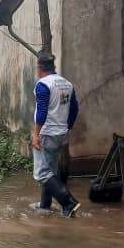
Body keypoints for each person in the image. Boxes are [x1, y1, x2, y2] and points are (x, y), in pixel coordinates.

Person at [30, 54, 81, 218]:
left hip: (47, 134)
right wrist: (68, 128)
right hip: (61, 134)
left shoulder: (43, 84)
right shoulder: (67, 84)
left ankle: (68, 203)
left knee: (41, 173)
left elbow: (42, 111)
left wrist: (36, 134)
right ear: (54, 67)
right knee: (50, 169)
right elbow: (74, 109)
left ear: (40, 68)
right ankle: (45, 205)